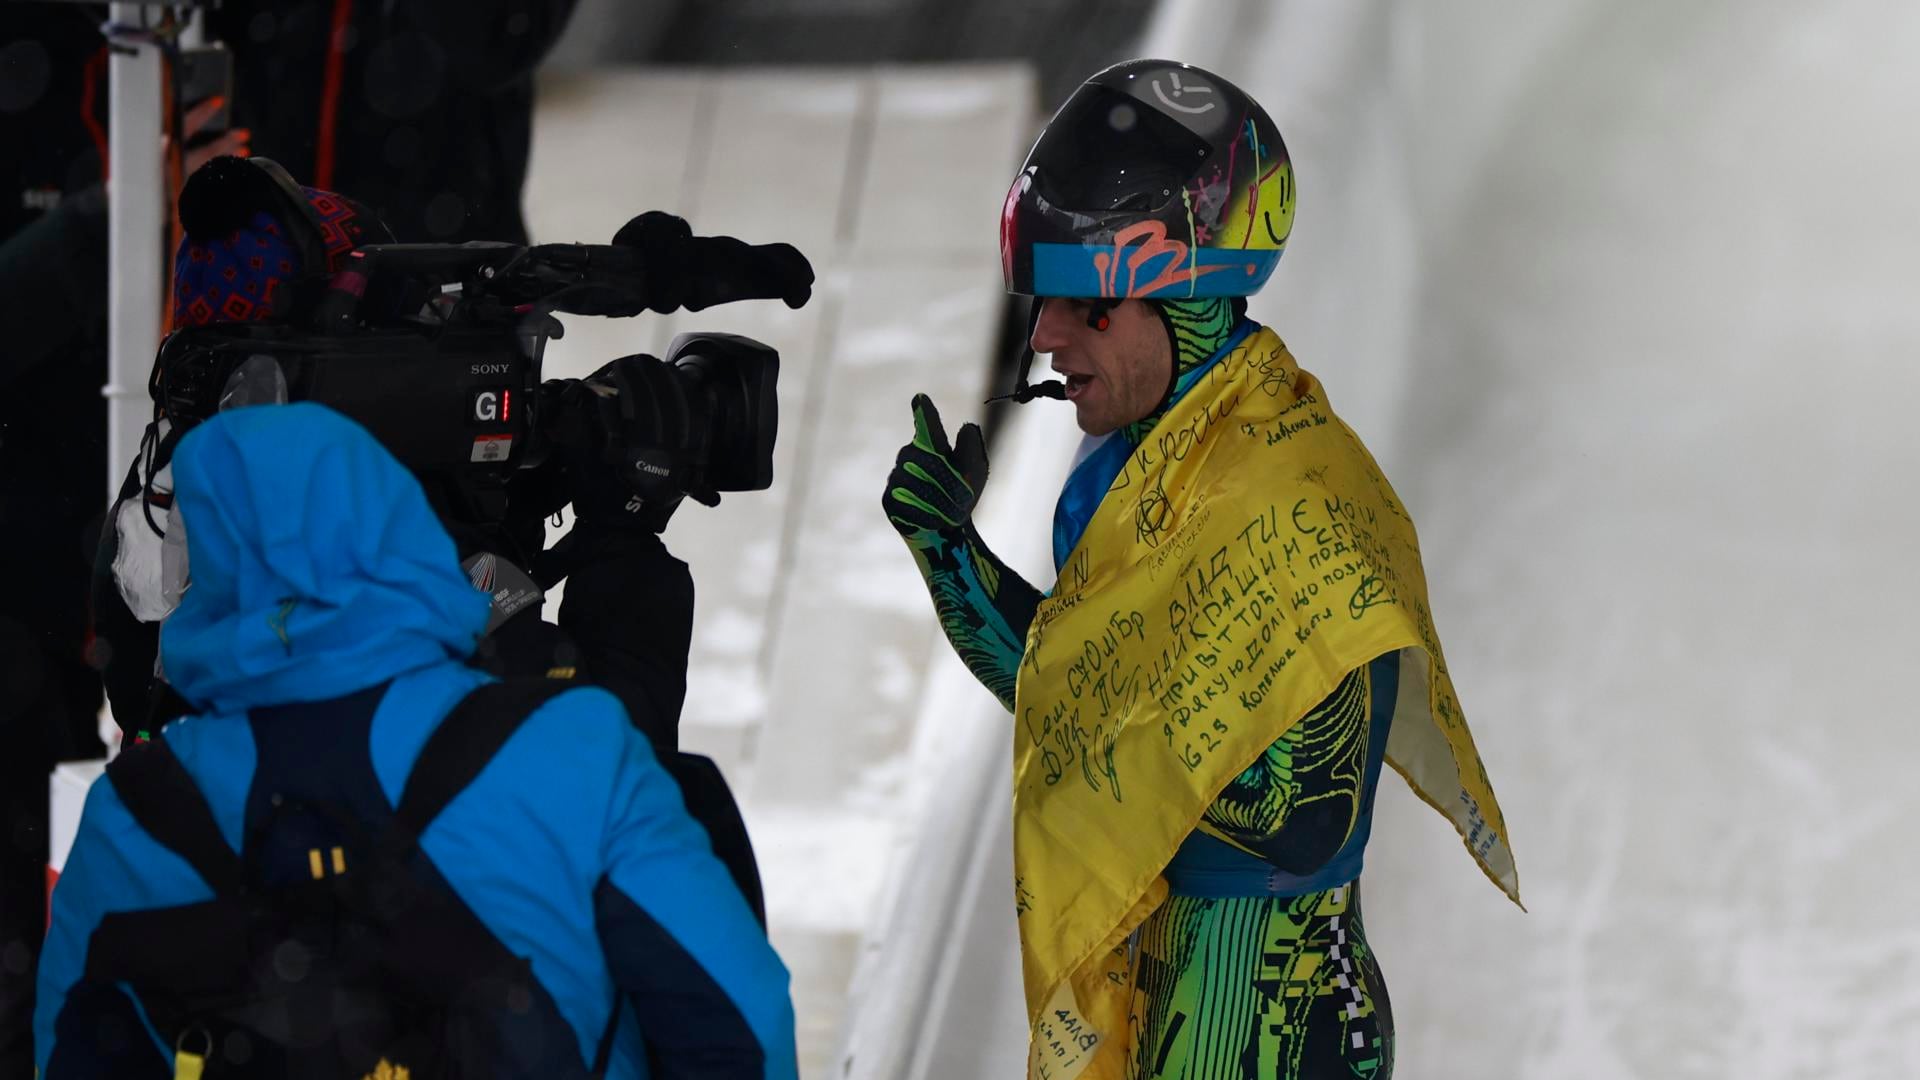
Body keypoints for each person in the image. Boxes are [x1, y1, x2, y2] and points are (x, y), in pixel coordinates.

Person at [882, 59, 1521, 1080]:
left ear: (1181, 300)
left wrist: (1117, 731)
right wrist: (952, 557)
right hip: (1182, 997)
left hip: (1275, 1034)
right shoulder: (1144, 467)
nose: (1043, 337)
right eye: (1043, 301)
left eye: (1084, 305)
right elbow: (1081, 695)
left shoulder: (1298, 510)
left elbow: (1303, 822)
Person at [36, 401, 797, 1078]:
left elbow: (74, 1052)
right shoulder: (571, 747)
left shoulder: (134, 815)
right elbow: (735, 1023)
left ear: (208, 571)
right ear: (401, 529)